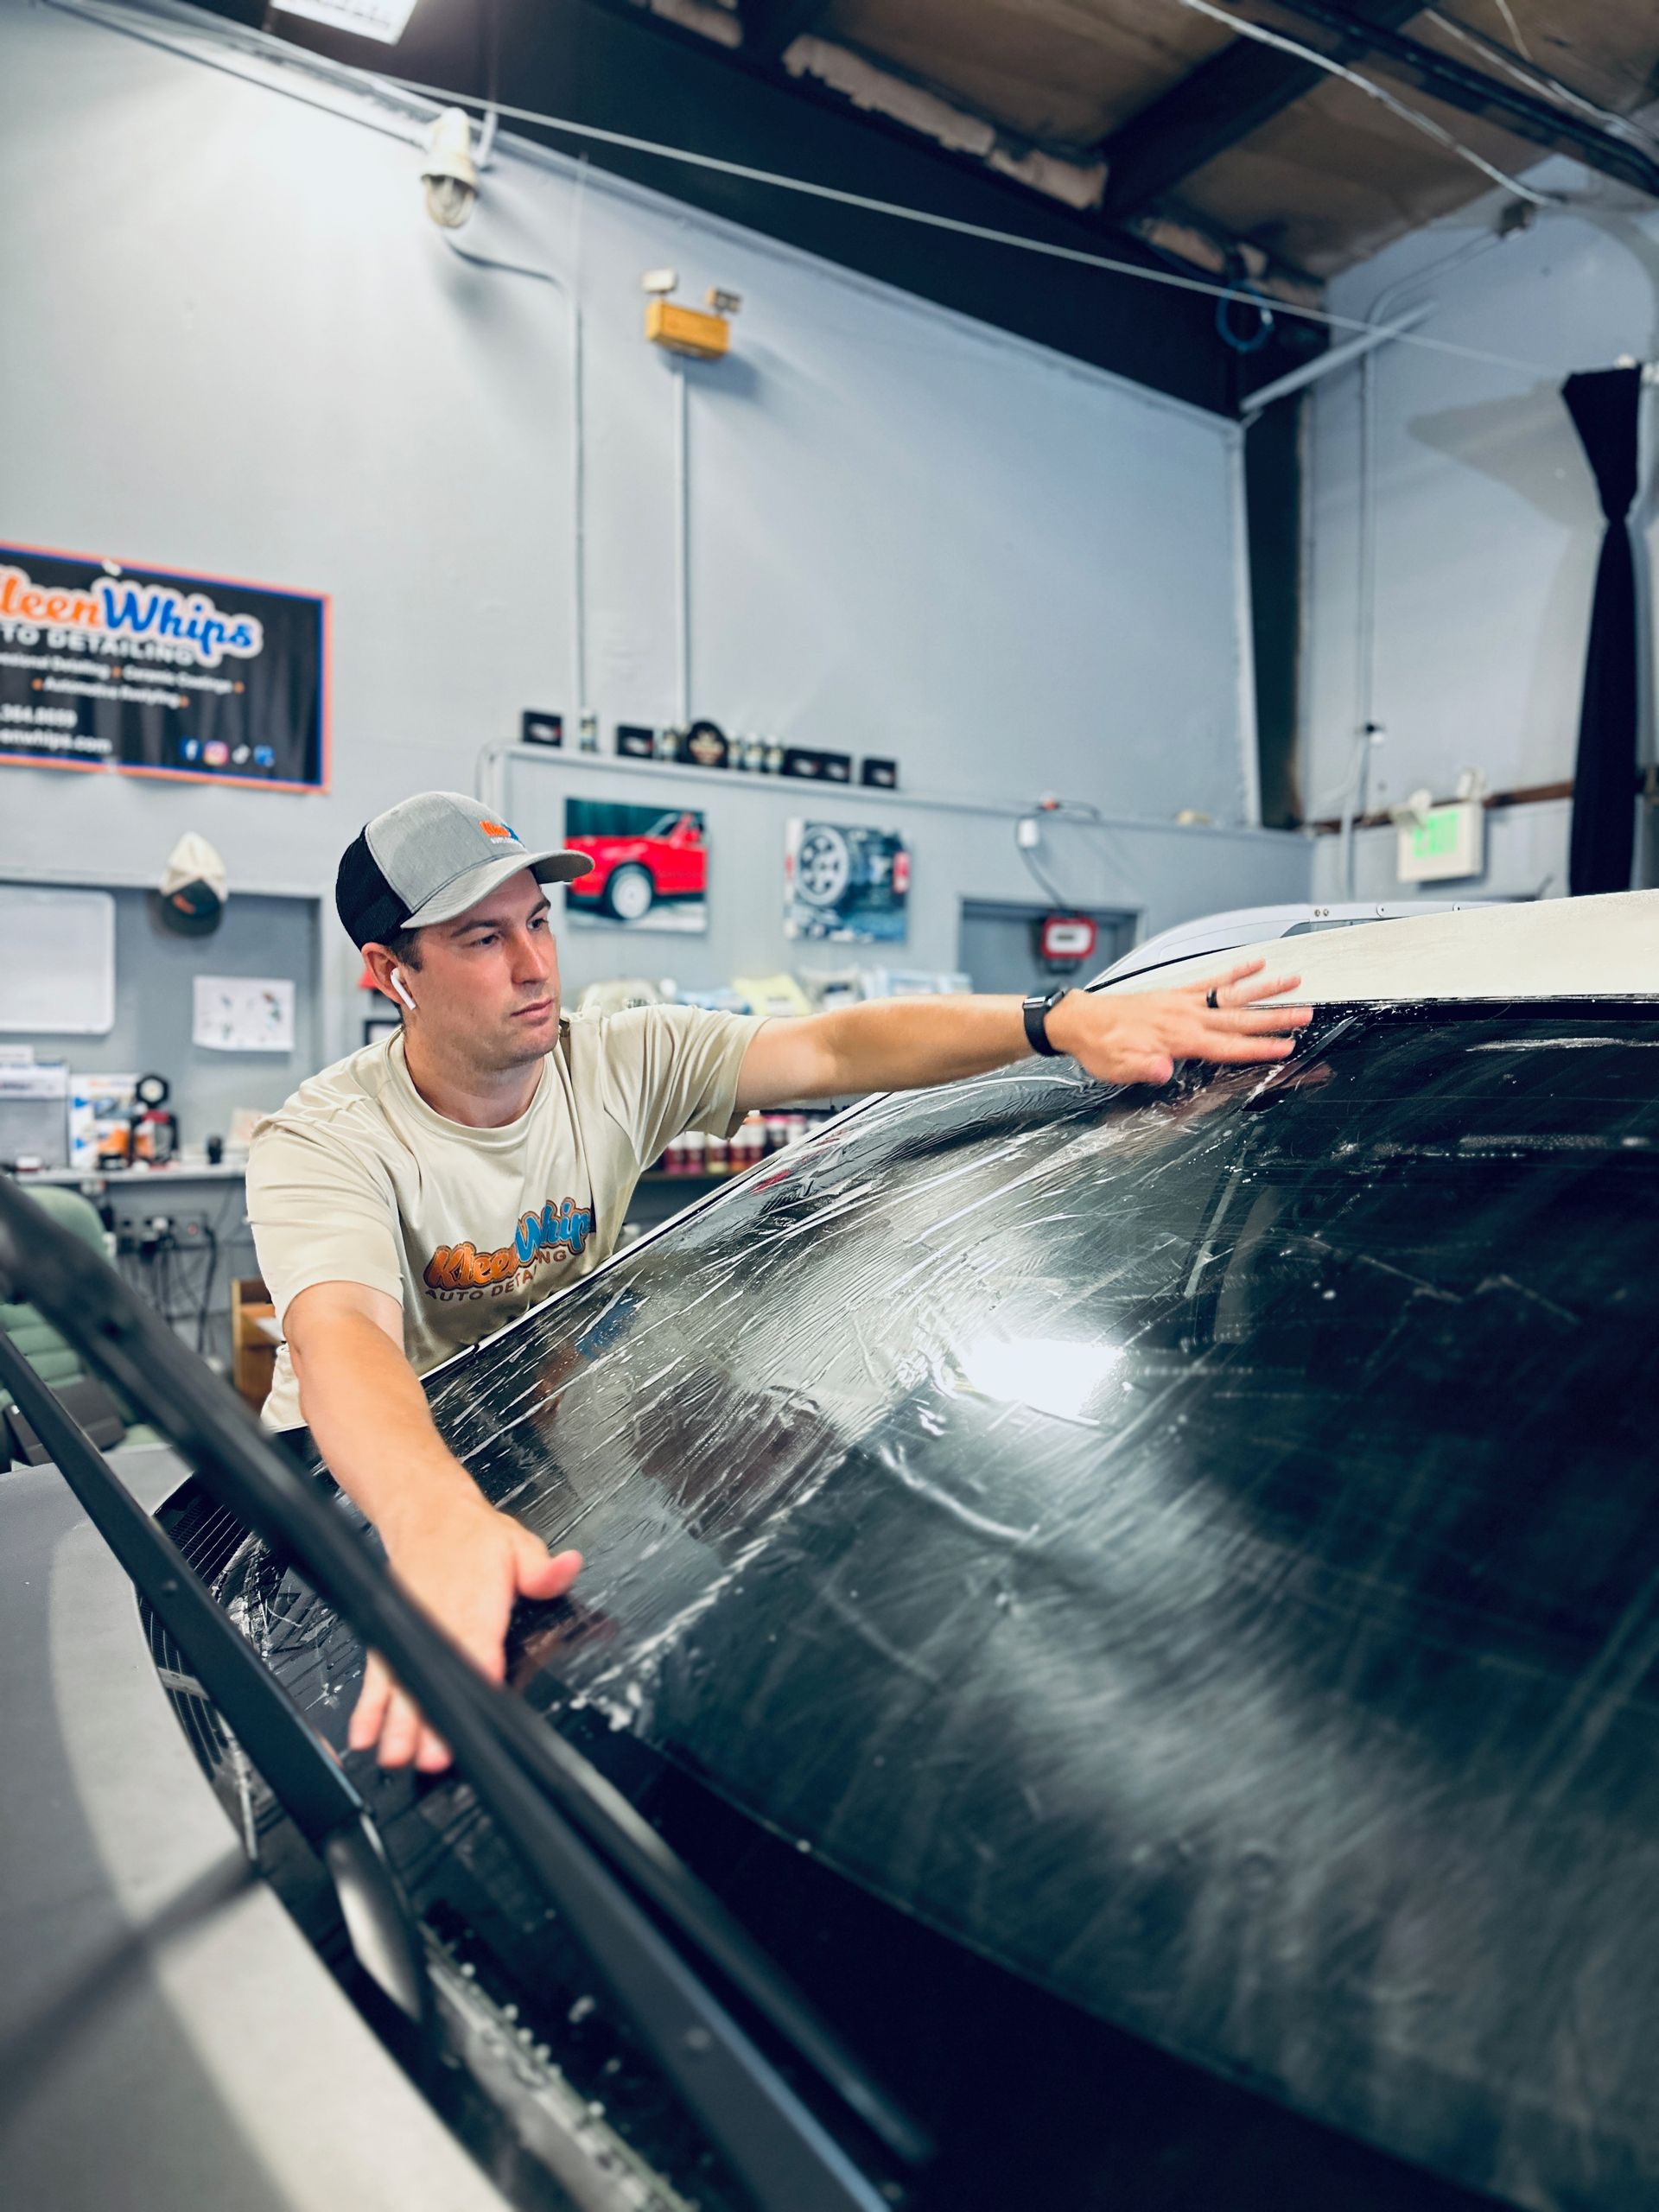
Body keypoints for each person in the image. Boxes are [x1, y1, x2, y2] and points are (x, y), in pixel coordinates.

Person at [248, 790, 1309, 1772]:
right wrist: (429, 1518)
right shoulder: (328, 1142)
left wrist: (1060, 1021)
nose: (534, 966)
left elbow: (836, 1046)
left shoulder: (612, 1062)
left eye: (537, 922)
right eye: (482, 938)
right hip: (362, 1477)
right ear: (391, 973)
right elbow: (343, 1336)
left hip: (522, 1437)